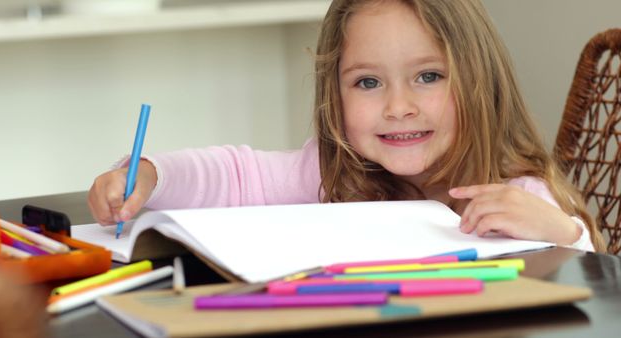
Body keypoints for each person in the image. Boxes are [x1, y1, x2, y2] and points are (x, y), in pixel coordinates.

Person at [88, 0, 605, 252]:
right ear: (333, 95)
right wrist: (152, 175)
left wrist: (565, 232)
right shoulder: (334, 171)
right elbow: (238, 174)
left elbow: (581, 269)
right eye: (367, 83)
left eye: (428, 76)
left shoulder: (517, 194)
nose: (399, 107)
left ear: (480, 82)